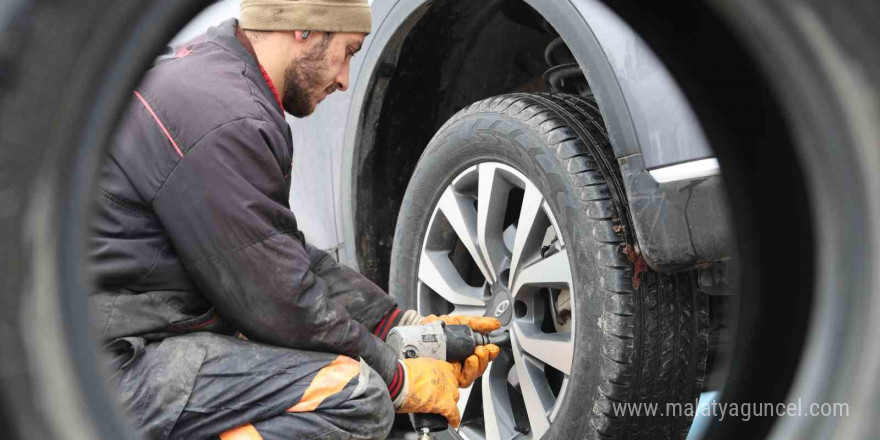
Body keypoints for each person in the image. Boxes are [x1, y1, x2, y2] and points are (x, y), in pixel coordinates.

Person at [88, 0, 500, 439]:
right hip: (117, 368)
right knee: (355, 397)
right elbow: (277, 301)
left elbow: (278, 252)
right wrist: (398, 380)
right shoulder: (229, 119)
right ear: (303, 31)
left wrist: (397, 325)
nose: (344, 79)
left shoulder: (214, 79)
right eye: (348, 51)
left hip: (124, 340)